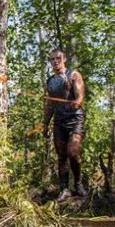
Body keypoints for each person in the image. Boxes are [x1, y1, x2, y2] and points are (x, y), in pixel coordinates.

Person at [43, 48, 86, 199]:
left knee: (73, 151)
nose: (55, 61)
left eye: (58, 58)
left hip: (75, 119)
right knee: (61, 156)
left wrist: (77, 102)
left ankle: (79, 185)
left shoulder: (73, 75)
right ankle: (64, 189)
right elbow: (50, 105)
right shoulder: (50, 81)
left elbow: (80, 96)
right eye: (52, 59)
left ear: (64, 59)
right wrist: (45, 124)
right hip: (59, 120)